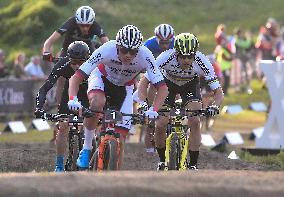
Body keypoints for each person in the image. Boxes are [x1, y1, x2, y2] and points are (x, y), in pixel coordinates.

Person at [67, 25, 168, 170]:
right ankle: (87, 147)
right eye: (124, 50)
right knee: (97, 104)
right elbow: (76, 77)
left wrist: (154, 109)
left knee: (120, 138)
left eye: (133, 51)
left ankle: (116, 177)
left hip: (125, 87)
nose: (128, 55)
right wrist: (72, 98)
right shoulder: (107, 49)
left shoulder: (145, 55)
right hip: (101, 78)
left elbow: (162, 88)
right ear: (117, 46)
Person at [138, 33, 224, 170]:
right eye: (182, 56)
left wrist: (215, 106)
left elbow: (218, 91)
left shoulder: (202, 61)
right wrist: (143, 104)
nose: (186, 60)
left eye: (190, 57)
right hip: (168, 85)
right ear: (176, 53)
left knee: (195, 121)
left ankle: (193, 164)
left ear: (194, 54)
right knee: (160, 124)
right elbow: (144, 82)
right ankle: (161, 160)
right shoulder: (165, 57)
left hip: (190, 86)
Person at [34, 41, 90, 172]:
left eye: (80, 62)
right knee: (63, 126)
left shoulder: (94, 64)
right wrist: (39, 107)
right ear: (69, 59)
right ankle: (59, 165)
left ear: (87, 60)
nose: (76, 66)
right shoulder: (62, 64)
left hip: (88, 93)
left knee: (92, 123)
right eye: (74, 62)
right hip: (69, 95)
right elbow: (44, 89)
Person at [139, 24, 175, 153]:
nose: (165, 46)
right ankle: (149, 107)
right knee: (152, 87)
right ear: (156, 38)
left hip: (170, 73)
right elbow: (139, 60)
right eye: (162, 42)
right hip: (153, 73)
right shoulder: (149, 44)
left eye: (167, 43)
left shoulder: (176, 44)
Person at [42, 5, 109, 59]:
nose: (85, 28)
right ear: (77, 22)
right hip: (68, 49)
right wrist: (46, 52)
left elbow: (107, 44)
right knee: (58, 69)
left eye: (88, 25)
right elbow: (50, 41)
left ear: (92, 23)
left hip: (87, 49)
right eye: (82, 25)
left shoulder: (95, 25)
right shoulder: (71, 22)